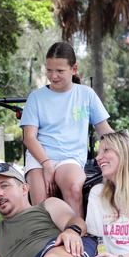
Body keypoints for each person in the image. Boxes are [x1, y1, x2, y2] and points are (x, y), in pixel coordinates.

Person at [20, 41, 113, 217]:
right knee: (43, 204)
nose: (53, 76)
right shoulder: (36, 98)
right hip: (40, 157)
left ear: (74, 68)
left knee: (74, 187)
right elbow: (29, 138)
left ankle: (78, 236)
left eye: (60, 71)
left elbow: (105, 131)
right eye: (49, 70)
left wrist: (126, 148)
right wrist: (46, 164)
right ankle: (48, 242)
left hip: (70, 158)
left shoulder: (86, 94)